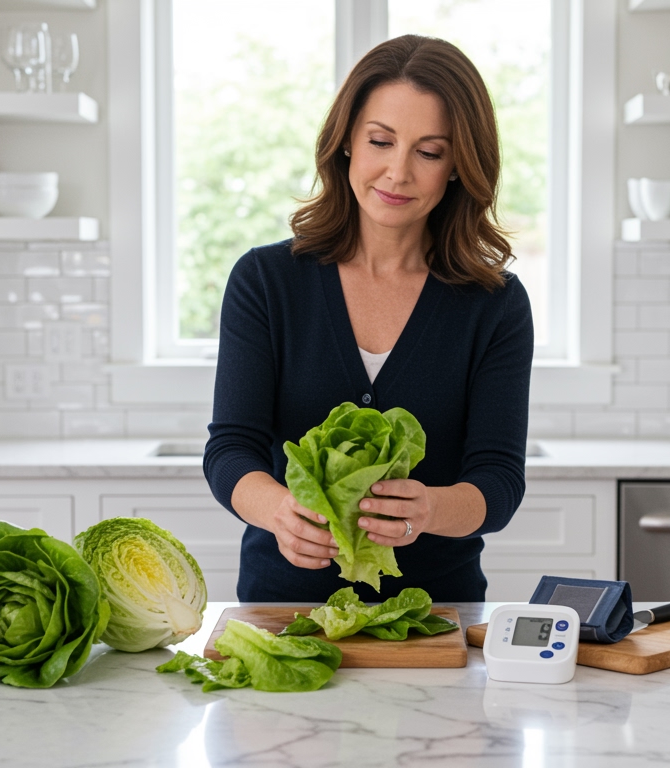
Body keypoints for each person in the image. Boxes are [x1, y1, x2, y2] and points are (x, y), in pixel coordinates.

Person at [203, 35, 533, 603]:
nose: (397, 172)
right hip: (285, 614)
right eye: (381, 140)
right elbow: (231, 449)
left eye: (429, 152)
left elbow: (498, 483)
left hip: (435, 617)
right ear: (347, 142)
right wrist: (279, 511)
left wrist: (429, 509)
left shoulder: (495, 303)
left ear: (458, 166)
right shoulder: (265, 281)